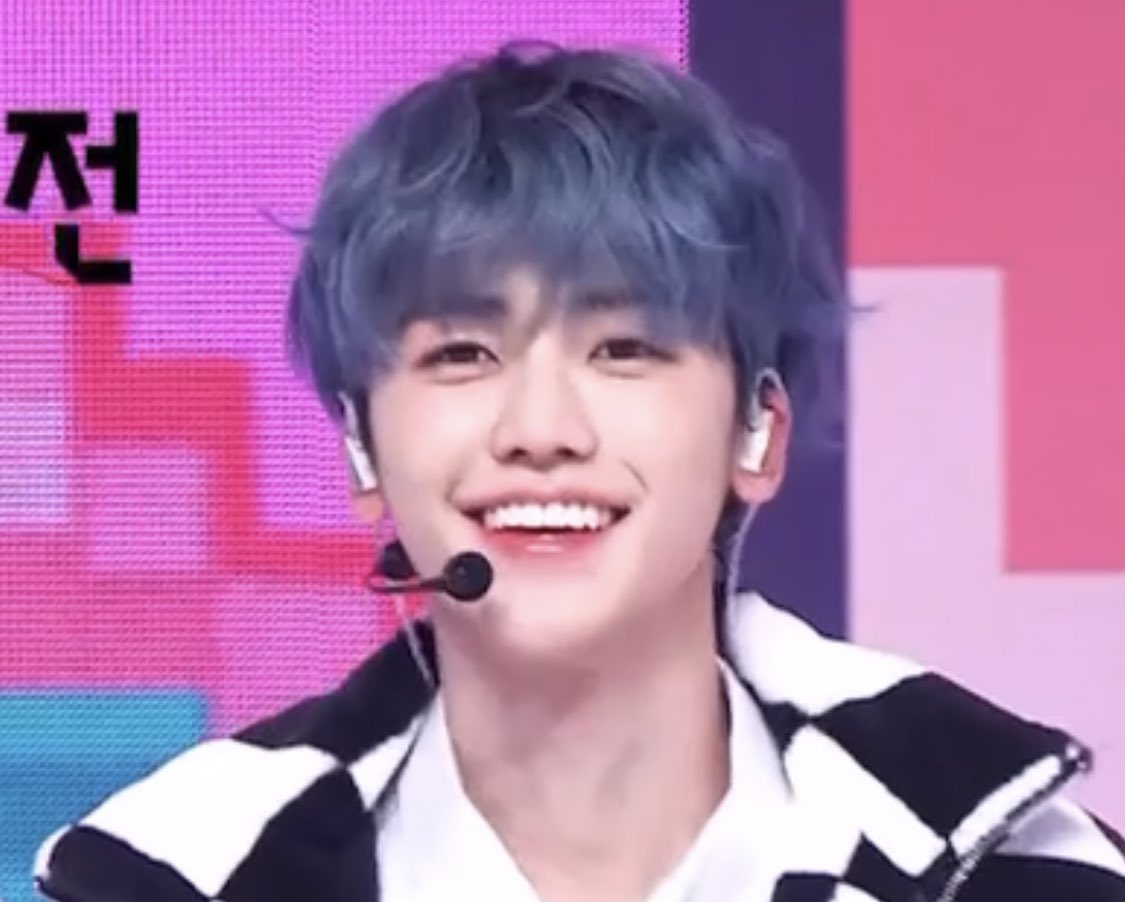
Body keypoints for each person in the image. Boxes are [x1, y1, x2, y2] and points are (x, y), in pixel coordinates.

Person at [33, 42, 1125, 902]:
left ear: (757, 430)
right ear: (361, 447)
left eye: (625, 348)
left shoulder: (1023, 870)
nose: (541, 429)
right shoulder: (182, 874)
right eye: (463, 354)